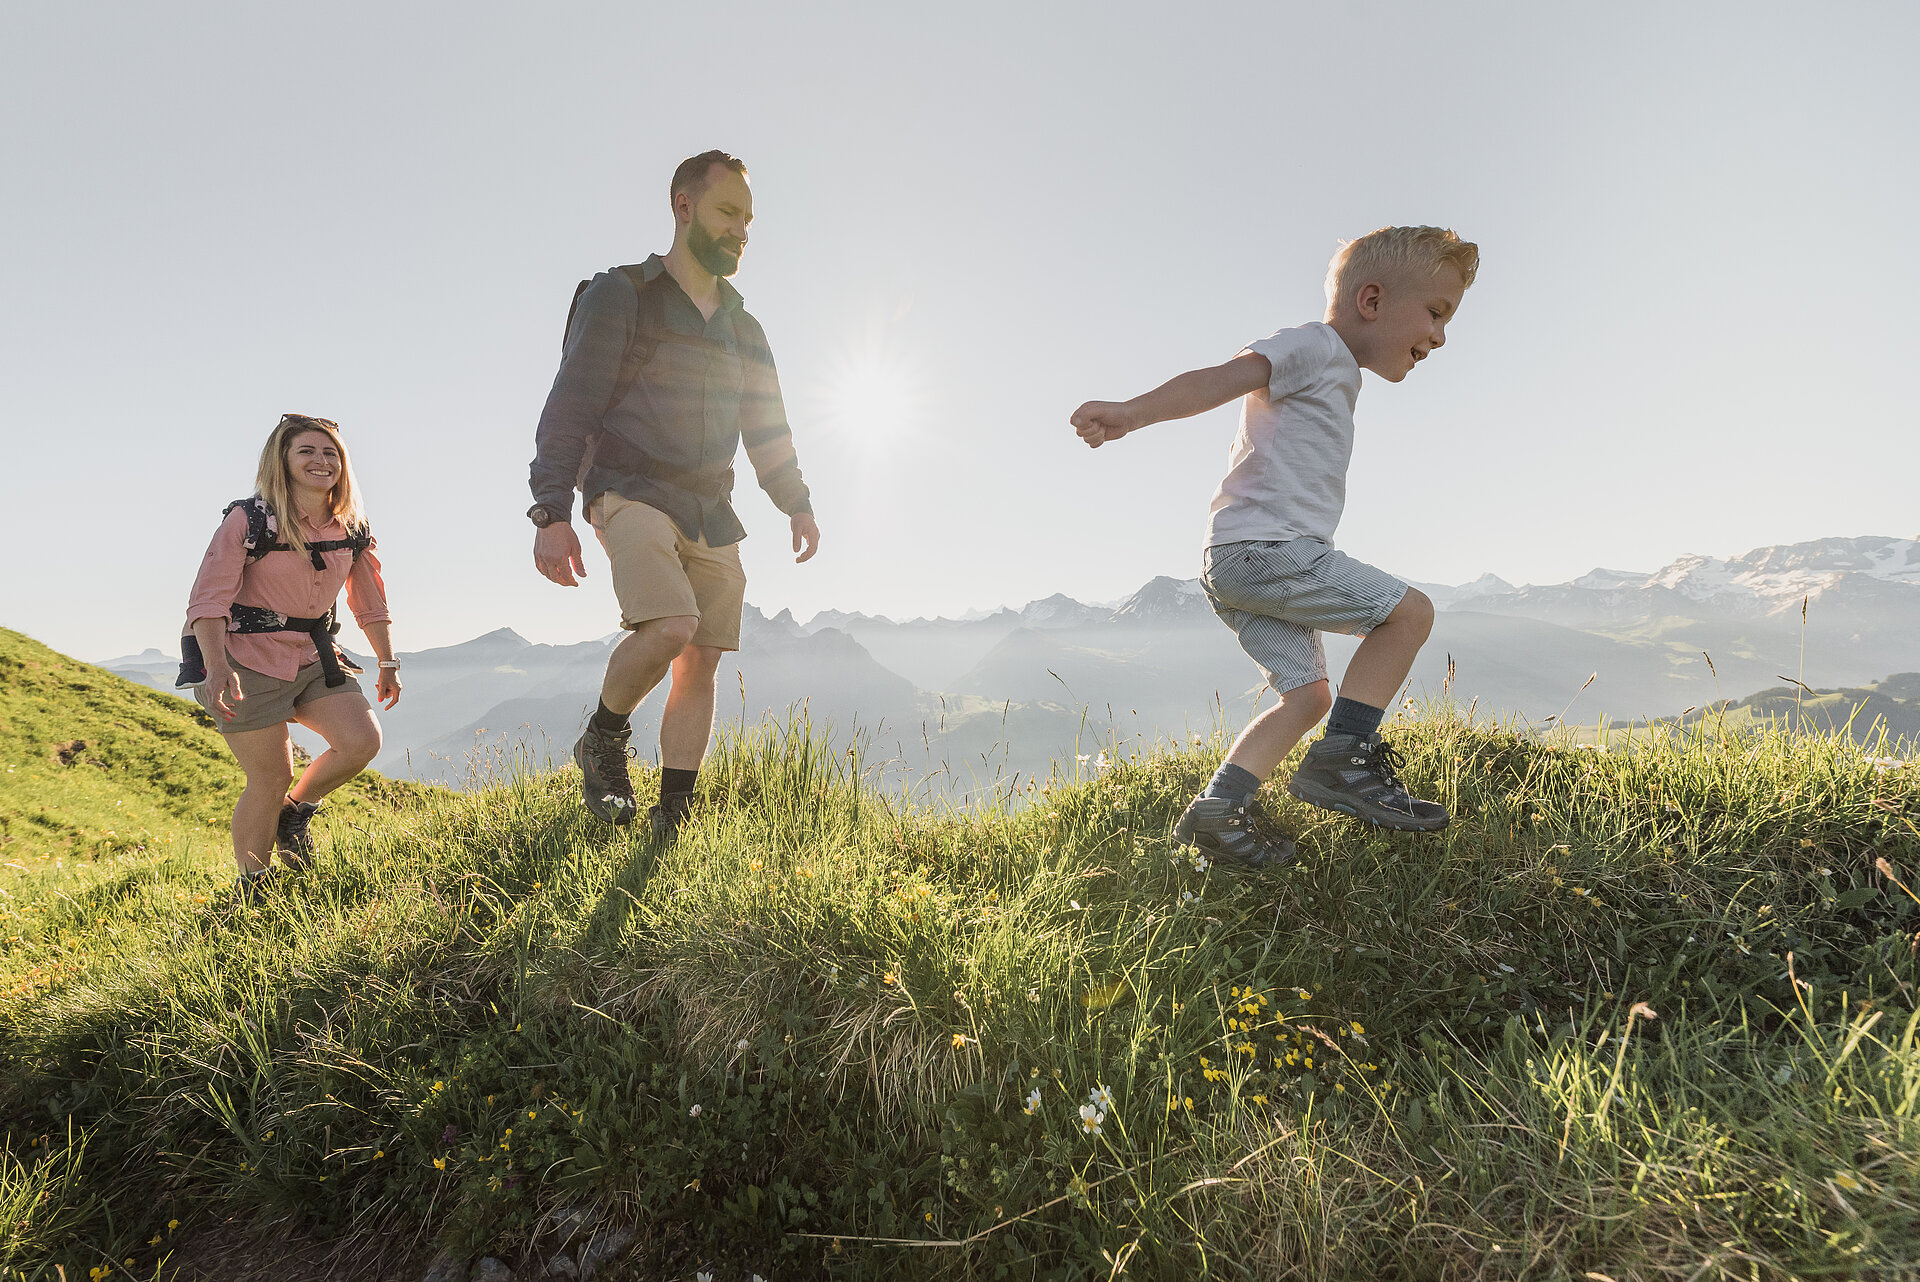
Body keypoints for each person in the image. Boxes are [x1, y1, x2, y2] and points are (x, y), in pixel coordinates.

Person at [1071, 226, 1479, 866]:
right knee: (1409, 614)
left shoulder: (1334, 367)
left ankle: (1217, 812)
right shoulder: (1313, 346)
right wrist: (1131, 412)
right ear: (1371, 301)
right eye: (1435, 312)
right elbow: (1219, 380)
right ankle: (1344, 758)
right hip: (1269, 550)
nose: (1441, 336)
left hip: (1238, 563)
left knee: (1308, 696)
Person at [527, 149, 821, 840]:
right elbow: (570, 403)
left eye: (748, 219)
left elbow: (767, 427)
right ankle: (603, 738)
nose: (741, 231)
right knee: (670, 626)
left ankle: (673, 815)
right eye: (727, 213)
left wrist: (796, 500)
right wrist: (551, 511)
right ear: (683, 207)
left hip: (711, 504)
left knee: (704, 655)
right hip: (627, 486)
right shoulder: (622, 294)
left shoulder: (744, 328)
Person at [180, 414, 400, 899]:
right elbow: (208, 602)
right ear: (282, 460)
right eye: (307, 452)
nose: (321, 462)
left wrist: (387, 661)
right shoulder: (249, 520)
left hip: (313, 654)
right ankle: (253, 888)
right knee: (270, 774)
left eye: (330, 453)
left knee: (362, 740)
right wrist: (216, 668)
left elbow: (371, 602)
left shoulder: (353, 526)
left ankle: (293, 814)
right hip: (244, 659)